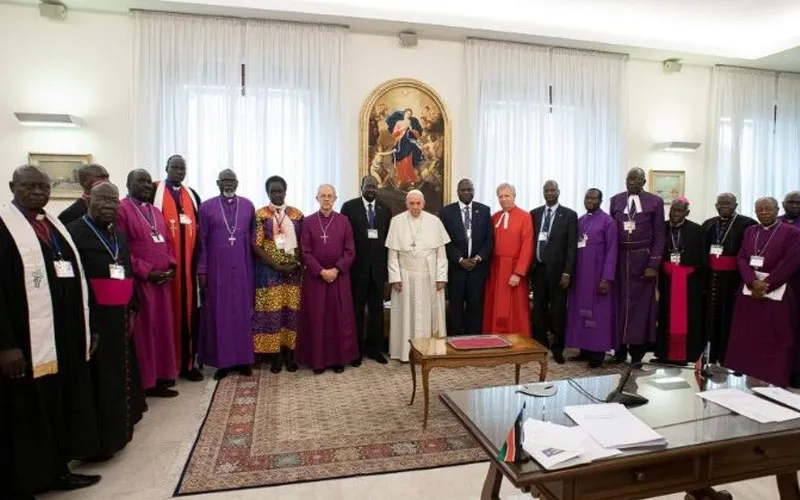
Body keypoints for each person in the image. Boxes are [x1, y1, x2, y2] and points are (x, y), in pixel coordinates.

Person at [0, 165, 101, 499]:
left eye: (43, 186)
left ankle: (58, 469)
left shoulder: (53, 225)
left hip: (63, 336)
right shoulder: (4, 228)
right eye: (29, 186)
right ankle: (25, 479)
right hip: (24, 342)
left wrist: (90, 326)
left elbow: (79, 278)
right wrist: (6, 346)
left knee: (58, 404)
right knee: (26, 411)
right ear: (13, 186)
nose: (38, 192)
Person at [67, 181, 146, 460]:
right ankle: (98, 444)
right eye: (102, 201)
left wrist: (133, 306)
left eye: (114, 202)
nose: (109, 206)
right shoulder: (74, 233)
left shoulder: (118, 233)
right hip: (96, 318)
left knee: (120, 376)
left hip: (120, 315)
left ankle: (119, 434)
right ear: (88, 200)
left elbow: (124, 269)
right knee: (99, 380)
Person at [117, 169, 179, 398]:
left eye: (147, 182)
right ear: (128, 183)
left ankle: (162, 377)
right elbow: (121, 249)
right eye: (140, 181)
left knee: (162, 330)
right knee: (144, 333)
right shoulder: (122, 210)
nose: (145, 186)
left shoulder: (155, 211)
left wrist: (171, 266)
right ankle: (145, 382)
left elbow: (168, 243)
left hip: (162, 282)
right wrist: (146, 271)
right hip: (141, 282)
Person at [725, 197, 800, 387]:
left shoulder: (792, 232)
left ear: (777, 210)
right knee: (749, 334)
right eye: (759, 209)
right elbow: (742, 257)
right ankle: (749, 373)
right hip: (750, 291)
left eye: (768, 209)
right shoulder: (750, 231)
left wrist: (767, 284)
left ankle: (774, 377)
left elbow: (791, 262)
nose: (764, 212)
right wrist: (751, 281)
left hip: (777, 292)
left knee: (774, 337)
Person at [196, 169, 256, 380]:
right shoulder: (206, 207)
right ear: (217, 182)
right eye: (225, 180)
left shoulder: (248, 205)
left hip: (242, 268)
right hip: (217, 270)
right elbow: (201, 242)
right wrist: (201, 270)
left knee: (242, 313)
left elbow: (253, 240)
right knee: (220, 315)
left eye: (232, 180)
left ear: (237, 183)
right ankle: (223, 362)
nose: (228, 184)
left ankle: (244, 361)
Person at [297, 185, 359, 373]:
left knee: (338, 319)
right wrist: (321, 271)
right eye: (322, 196)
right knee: (317, 318)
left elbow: (350, 250)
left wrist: (336, 269)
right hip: (316, 278)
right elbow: (304, 251)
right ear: (317, 198)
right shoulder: (307, 222)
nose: (326, 199)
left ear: (335, 198)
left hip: (339, 277)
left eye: (329, 196)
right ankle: (318, 361)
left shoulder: (344, 221)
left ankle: (339, 360)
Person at [153, 154, 203, 382]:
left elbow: (200, 232)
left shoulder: (191, 195)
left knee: (189, 314)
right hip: (164, 270)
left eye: (182, 168)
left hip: (188, 270)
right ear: (166, 168)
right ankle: (166, 368)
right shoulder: (155, 192)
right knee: (166, 317)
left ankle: (187, 364)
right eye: (174, 167)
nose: (178, 171)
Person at [386, 190, 450, 361]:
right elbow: (392, 254)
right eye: (411, 204)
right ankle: (405, 352)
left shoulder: (434, 221)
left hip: (430, 276)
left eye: (418, 203)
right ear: (406, 204)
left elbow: (442, 254)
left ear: (423, 204)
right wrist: (395, 278)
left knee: (429, 315)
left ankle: (430, 351)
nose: (415, 207)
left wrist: (441, 277)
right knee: (406, 315)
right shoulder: (396, 221)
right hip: (405, 276)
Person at [609, 167, 665, 365]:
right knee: (619, 306)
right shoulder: (616, 200)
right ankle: (619, 350)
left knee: (641, 308)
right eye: (628, 178)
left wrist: (654, 263)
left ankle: (638, 353)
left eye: (635, 179)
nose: (631, 182)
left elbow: (659, 235)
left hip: (643, 259)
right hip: (621, 258)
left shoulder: (655, 202)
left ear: (643, 182)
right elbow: (611, 233)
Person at [252, 175, 304, 373]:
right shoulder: (260, 215)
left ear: (285, 191)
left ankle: (290, 355)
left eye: (279, 190)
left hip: (293, 274)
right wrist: (277, 266)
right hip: (269, 274)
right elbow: (256, 245)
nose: (276, 194)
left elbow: (304, 242)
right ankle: (274, 357)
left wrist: (296, 264)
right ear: (267, 193)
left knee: (291, 314)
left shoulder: (296, 214)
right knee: (271, 315)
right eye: (272, 191)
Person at [341, 175, 391, 364]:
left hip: (378, 271)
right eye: (368, 186)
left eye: (375, 187)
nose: (372, 189)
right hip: (357, 270)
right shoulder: (349, 207)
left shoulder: (385, 209)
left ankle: (375, 350)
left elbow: (387, 241)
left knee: (377, 311)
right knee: (357, 311)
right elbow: (344, 238)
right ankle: (356, 351)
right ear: (361, 187)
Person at [701, 193, 756, 364]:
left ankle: (729, 355)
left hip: (735, 278)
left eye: (728, 203)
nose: (724, 206)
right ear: (716, 206)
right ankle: (710, 354)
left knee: (730, 317)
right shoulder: (708, 224)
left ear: (736, 205)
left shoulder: (748, 224)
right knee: (711, 316)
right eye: (721, 203)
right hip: (712, 277)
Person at [566, 189, 617, 368]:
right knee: (580, 312)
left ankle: (598, 354)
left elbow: (612, 251)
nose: (590, 200)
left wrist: (606, 278)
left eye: (594, 198)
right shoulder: (580, 221)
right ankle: (584, 350)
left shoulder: (608, 222)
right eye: (587, 197)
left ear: (600, 201)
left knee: (598, 315)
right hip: (581, 276)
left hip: (597, 276)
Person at [530, 180, 577, 364]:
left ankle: (558, 349)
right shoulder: (534, 214)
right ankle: (540, 346)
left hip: (559, 273)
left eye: (552, 190)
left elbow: (572, 247)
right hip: (538, 270)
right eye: (546, 190)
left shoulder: (569, 215)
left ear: (558, 191)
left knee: (558, 312)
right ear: (543, 192)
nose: (549, 193)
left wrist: (567, 272)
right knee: (538, 311)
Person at [655, 197, 707, 364]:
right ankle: (665, 354)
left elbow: (702, 259)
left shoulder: (697, 230)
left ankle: (686, 355)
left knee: (689, 318)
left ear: (687, 212)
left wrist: (700, 284)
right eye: (673, 210)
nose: (675, 214)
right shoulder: (661, 227)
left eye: (679, 211)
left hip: (688, 283)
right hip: (665, 280)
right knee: (664, 316)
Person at [439, 179, 493, 335]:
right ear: (458, 192)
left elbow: (489, 241)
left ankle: (474, 339)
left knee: (475, 306)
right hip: (457, 268)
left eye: (470, 189)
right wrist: (460, 260)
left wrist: (477, 259)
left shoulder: (484, 210)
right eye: (463, 190)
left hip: (477, 268)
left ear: (474, 191)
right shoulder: (446, 212)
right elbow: (445, 241)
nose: (467, 192)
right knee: (455, 307)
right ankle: (456, 339)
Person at [483, 183, 534, 337]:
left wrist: (518, 272)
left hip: (513, 268)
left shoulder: (525, 216)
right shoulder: (494, 217)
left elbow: (528, 245)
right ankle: (495, 336)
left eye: (507, 196)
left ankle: (516, 340)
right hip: (496, 269)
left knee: (515, 308)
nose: (504, 199)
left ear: (514, 196)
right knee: (495, 305)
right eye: (500, 196)